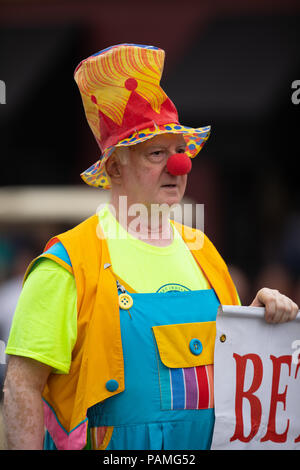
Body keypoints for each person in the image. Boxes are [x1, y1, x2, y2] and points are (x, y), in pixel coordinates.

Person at [2, 44, 299, 451]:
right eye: (157, 153)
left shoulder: (203, 251)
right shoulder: (68, 263)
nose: (178, 166)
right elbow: (22, 385)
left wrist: (260, 317)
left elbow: (232, 365)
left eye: (180, 151)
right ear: (115, 167)